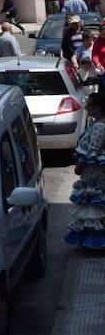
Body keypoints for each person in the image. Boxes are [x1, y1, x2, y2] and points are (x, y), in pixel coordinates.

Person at [65, 92, 105, 249]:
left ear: (97, 107)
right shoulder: (98, 124)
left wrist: (79, 167)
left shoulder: (100, 126)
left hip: (94, 177)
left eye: (89, 104)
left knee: (95, 208)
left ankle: (96, 244)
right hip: (96, 175)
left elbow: (91, 152)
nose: (86, 107)